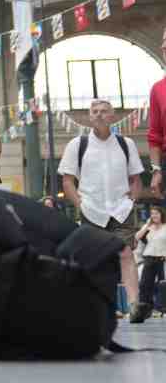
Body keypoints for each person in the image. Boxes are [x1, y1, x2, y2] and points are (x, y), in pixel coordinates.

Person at [58, 99, 144, 322]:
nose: (99, 114)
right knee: (96, 259)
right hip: (91, 209)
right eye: (94, 111)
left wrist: (132, 200)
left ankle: (134, 306)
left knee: (125, 253)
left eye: (104, 111)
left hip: (121, 209)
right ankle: (101, 306)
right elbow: (67, 181)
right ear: (88, 116)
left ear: (113, 116)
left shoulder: (126, 144)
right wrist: (80, 204)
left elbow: (136, 179)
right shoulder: (78, 144)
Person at [136, 207, 166, 320]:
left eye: (156, 213)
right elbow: (137, 237)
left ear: (161, 214)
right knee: (144, 285)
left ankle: (160, 309)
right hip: (149, 258)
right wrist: (146, 226)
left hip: (162, 258)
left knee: (162, 285)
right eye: (152, 214)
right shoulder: (148, 227)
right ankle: (145, 309)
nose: (154, 216)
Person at [148, 27, 166, 197]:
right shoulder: (158, 89)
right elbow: (155, 135)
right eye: (164, 44)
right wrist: (157, 170)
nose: (164, 48)